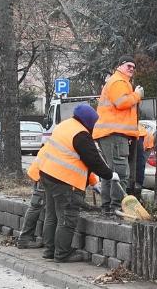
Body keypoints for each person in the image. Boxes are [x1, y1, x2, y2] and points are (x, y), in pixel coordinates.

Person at [38, 104, 114, 262]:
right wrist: (109, 174)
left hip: (47, 174)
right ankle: (62, 254)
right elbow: (93, 159)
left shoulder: (64, 125)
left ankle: (50, 250)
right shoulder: (81, 134)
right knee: (67, 216)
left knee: (52, 215)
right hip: (64, 180)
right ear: (89, 122)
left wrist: (93, 181)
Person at [93, 55, 143, 215]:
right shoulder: (119, 82)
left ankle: (108, 207)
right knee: (120, 172)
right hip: (114, 134)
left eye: (133, 67)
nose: (131, 69)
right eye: (128, 65)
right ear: (119, 66)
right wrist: (137, 95)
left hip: (111, 134)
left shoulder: (118, 81)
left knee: (110, 172)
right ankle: (116, 207)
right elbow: (121, 103)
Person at [17, 154, 100, 249]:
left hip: (44, 171)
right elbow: (83, 165)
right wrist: (94, 182)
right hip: (47, 174)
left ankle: (46, 245)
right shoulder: (75, 142)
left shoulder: (63, 141)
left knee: (46, 209)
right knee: (38, 206)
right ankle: (25, 239)